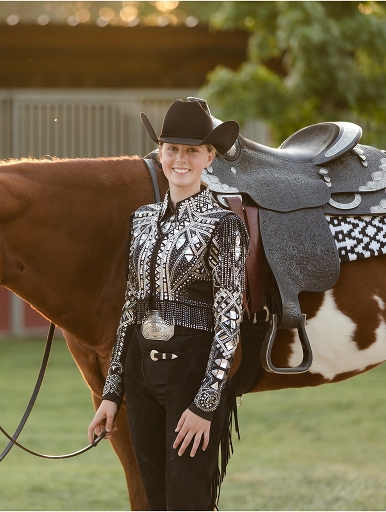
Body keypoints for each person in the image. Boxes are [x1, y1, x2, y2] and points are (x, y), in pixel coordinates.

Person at [88, 98, 249, 510]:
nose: (181, 159)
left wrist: (205, 404)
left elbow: (229, 320)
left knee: (188, 501)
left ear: (209, 157)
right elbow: (130, 311)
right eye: (172, 148)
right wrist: (112, 394)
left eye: (192, 150)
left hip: (190, 376)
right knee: (152, 499)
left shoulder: (224, 225)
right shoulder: (141, 220)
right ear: (159, 153)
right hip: (141, 376)